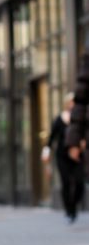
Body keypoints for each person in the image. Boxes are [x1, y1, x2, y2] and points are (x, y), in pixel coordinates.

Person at [41, 93, 84, 222]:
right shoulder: (59, 119)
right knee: (66, 182)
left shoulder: (80, 119)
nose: (73, 105)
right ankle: (69, 210)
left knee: (79, 183)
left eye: (75, 103)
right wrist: (45, 154)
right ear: (67, 104)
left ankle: (74, 205)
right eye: (71, 102)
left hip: (77, 156)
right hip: (62, 156)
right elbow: (51, 139)